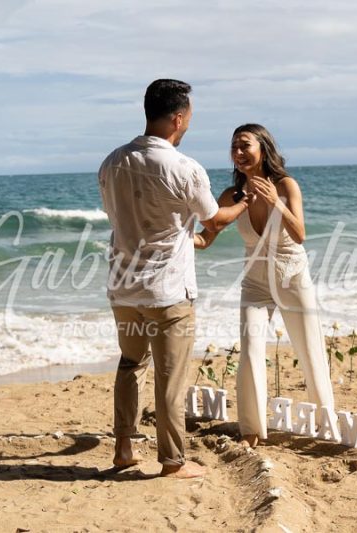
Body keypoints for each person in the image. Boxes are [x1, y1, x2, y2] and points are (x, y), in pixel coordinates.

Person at [98, 80, 251, 478]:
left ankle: (124, 449)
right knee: (171, 375)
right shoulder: (184, 167)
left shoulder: (112, 161)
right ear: (178, 117)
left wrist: (189, 234)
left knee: (130, 364)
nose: (188, 126)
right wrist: (242, 203)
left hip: (123, 286)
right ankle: (172, 462)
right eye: (188, 119)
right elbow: (214, 218)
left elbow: (125, 218)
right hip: (167, 292)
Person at [194, 123, 335, 448]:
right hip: (255, 281)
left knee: (310, 349)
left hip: (292, 276)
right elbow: (207, 237)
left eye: (244, 145)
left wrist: (276, 202)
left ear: (263, 148)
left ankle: (325, 423)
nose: (238, 153)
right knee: (251, 349)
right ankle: (252, 430)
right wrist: (175, 239)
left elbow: (300, 234)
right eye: (234, 147)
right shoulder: (232, 196)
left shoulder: (286, 185)